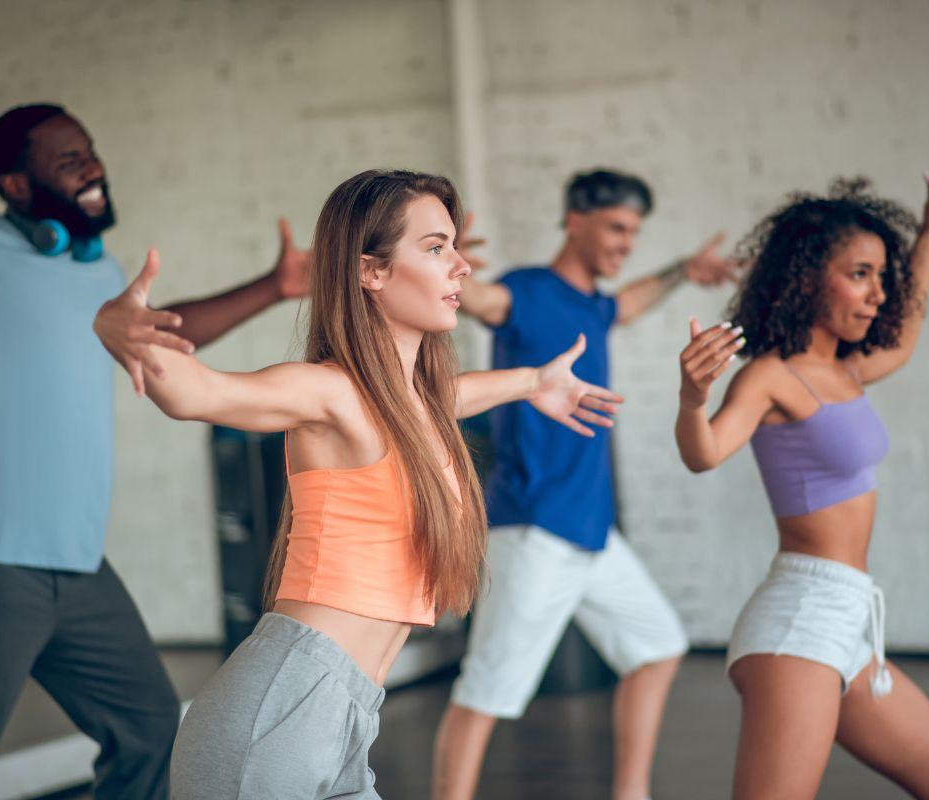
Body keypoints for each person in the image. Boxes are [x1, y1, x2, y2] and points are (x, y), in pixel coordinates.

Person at [0, 102, 310, 799]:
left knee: (149, 726)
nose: (93, 166)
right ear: (16, 186)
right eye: (70, 160)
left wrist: (275, 287)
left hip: (75, 566)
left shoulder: (98, 272)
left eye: (91, 151)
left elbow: (166, 330)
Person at [93, 168, 624, 799]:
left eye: (454, 246)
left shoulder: (407, 404)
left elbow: (449, 397)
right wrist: (115, 327)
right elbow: (196, 392)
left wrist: (534, 381)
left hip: (346, 714)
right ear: (370, 271)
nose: (460, 267)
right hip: (279, 712)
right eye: (435, 248)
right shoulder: (328, 391)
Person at [675, 176, 929, 799]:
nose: (877, 294)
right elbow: (704, 453)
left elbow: (902, 340)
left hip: (850, 618)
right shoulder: (770, 376)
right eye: (861, 274)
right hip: (799, 620)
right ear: (810, 277)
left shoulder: (844, 370)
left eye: (880, 277)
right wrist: (691, 399)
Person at [432, 168, 738, 800]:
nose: (627, 242)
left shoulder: (595, 306)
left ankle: (631, 793)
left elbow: (631, 300)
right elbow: (478, 300)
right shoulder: (526, 292)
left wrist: (685, 267)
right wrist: (444, 262)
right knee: (485, 693)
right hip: (536, 529)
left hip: (592, 532)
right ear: (575, 220)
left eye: (635, 231)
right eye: (617, 227)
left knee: (657, 646)